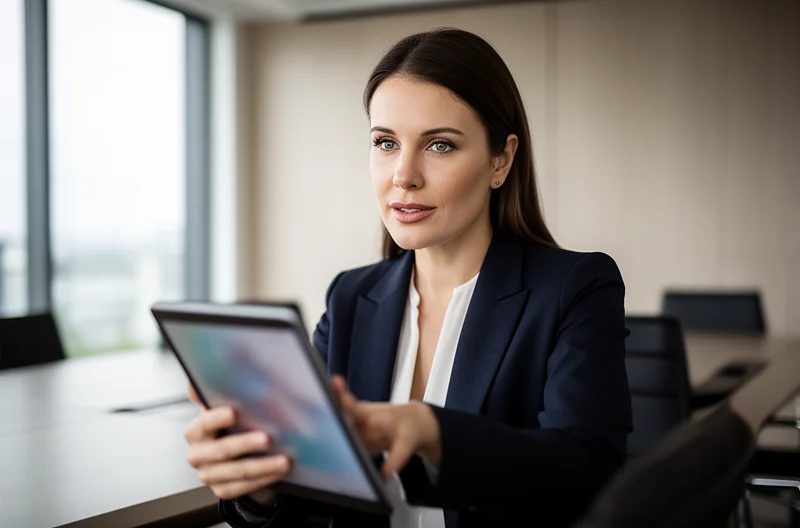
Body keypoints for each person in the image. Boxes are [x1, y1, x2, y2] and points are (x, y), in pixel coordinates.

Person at [183, 27, 632, 528]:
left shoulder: (575, 286)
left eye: (439, 145)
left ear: (501, 160)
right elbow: (314, 505)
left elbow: (587, 471)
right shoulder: (352, 296)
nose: (404, 175)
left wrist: (433, 432)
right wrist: (263, 486)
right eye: (386, 142)